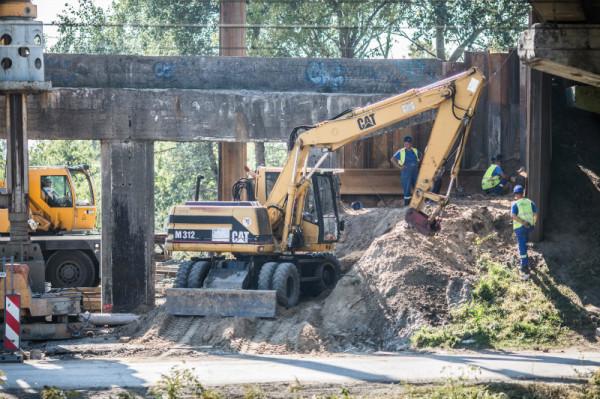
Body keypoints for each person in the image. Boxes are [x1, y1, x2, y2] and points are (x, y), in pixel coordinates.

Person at [511, 185, 538, 281]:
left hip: (520, 228)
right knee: (524, 244)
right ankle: (527, 261)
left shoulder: (515, 204)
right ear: (523, 193)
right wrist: (533, 224)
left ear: (515, 194)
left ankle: (525, 268)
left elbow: (513, 216)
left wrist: (523, 223)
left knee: (521, 247)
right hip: (529, 228)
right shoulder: (530, 202)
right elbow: (535, 214)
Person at [391, 135, 421, 206]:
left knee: (417, 187)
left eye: (408, 143)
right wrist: (399, 167)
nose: (407, 145)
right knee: (407, 189)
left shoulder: (415, 150)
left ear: (411, 144)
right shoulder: (401, 152)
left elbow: (421, 156)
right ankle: (407, 205)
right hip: (406, 172)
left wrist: (418, 163)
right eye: (406, 143)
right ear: (404, 144)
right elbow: (392, 159)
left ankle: (417, 203)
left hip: (415, 172)